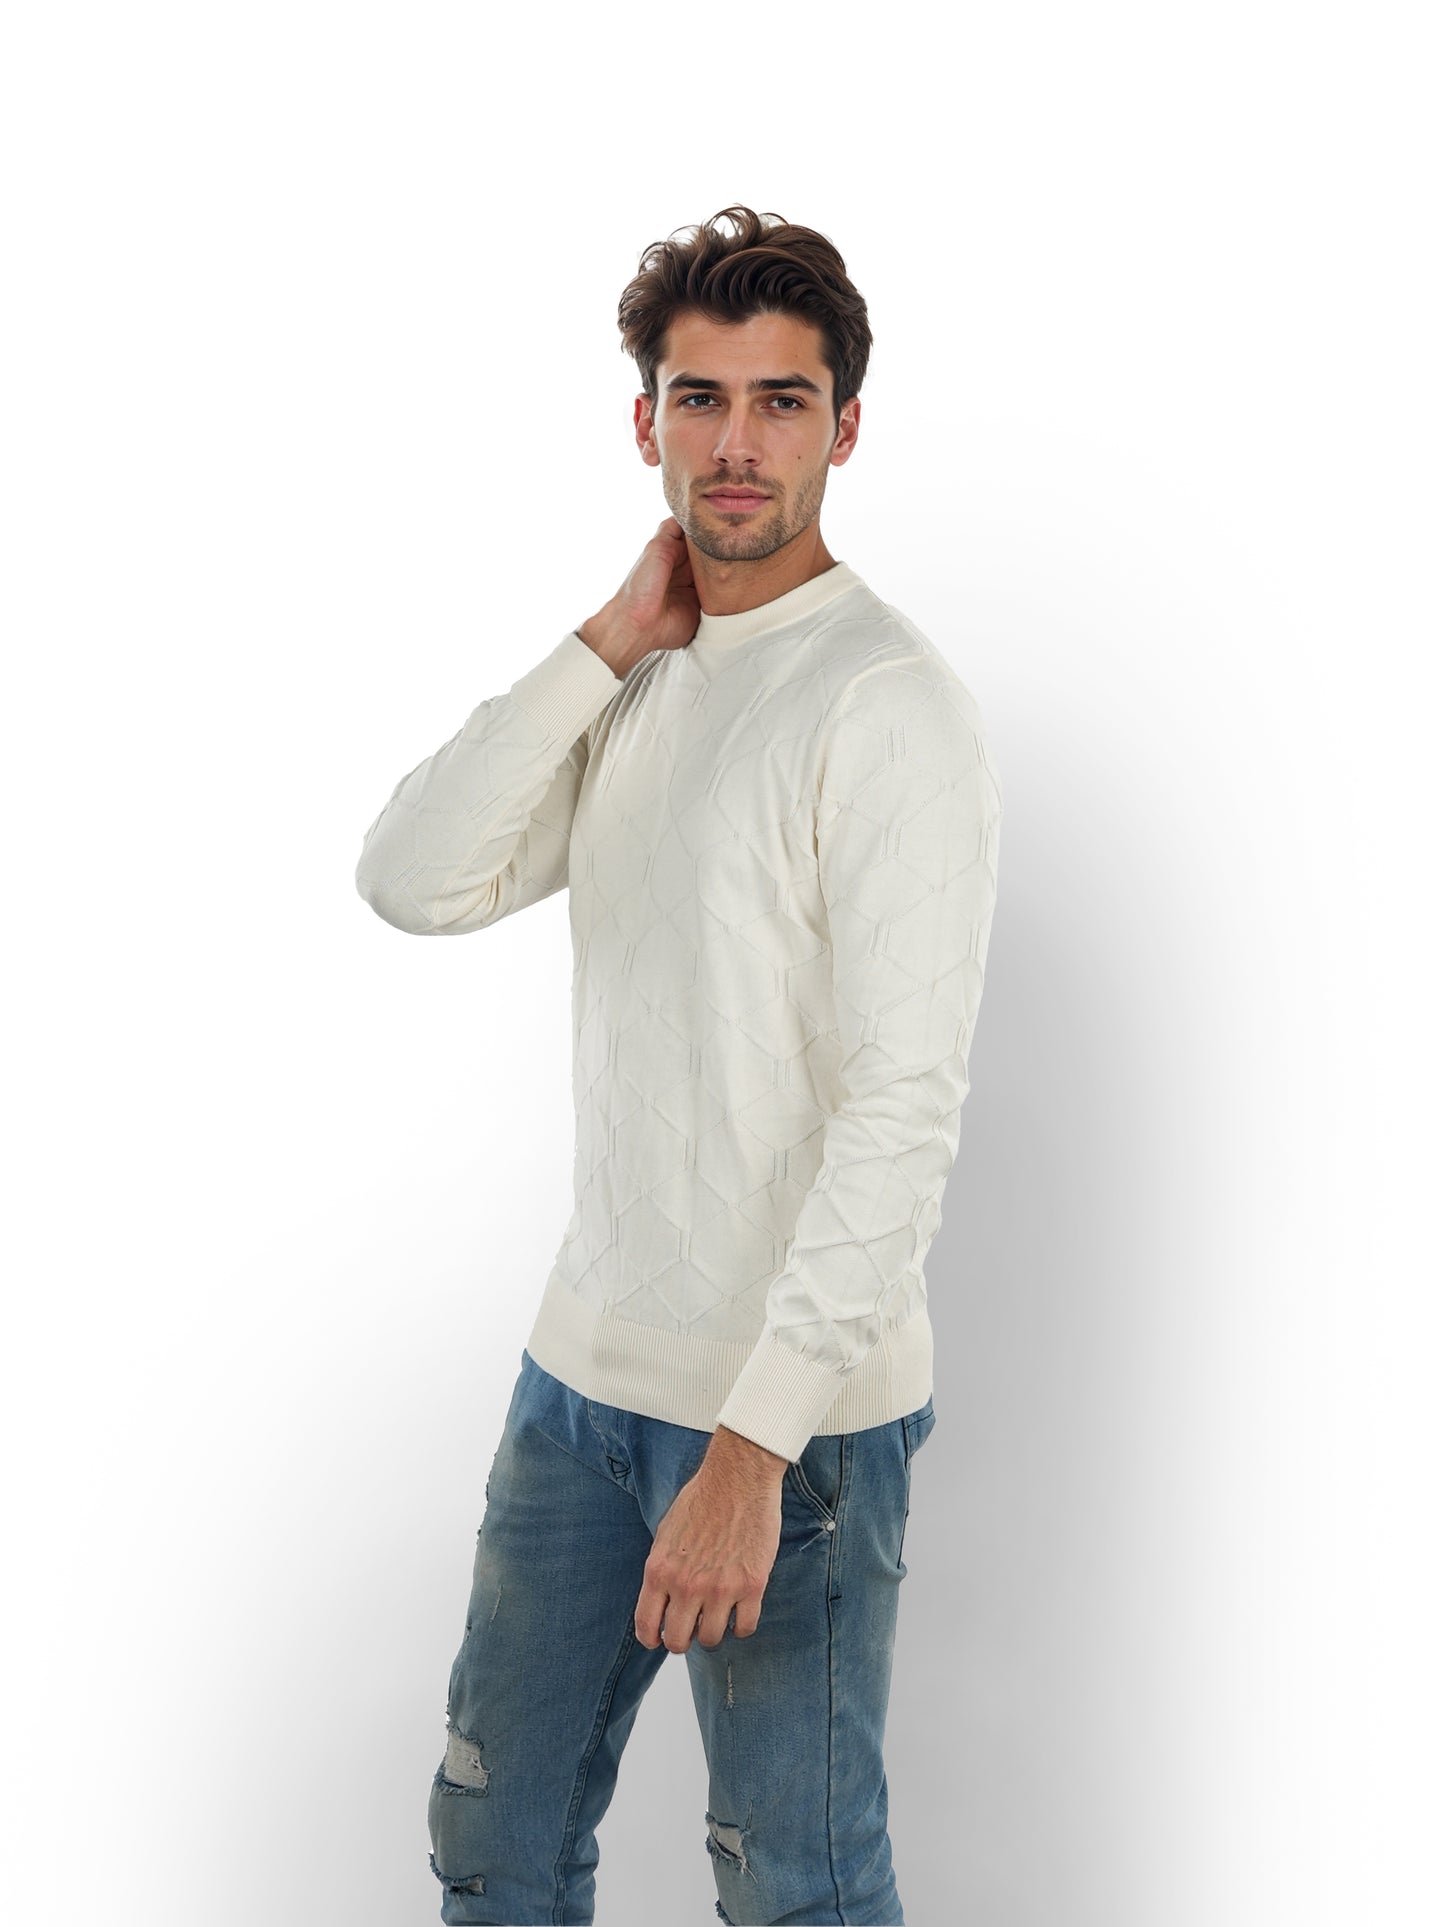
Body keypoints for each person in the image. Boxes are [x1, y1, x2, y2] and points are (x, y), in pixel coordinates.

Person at [355, 204, 1004, 1926]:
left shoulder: (886, 705)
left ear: (843, 429)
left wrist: (752, 1449)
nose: (735, 443)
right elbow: (412, 880)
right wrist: (601, 647)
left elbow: (901, 1111)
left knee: (795, 1886)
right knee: (491, 1845)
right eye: (699, 398)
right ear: (644, 419)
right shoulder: (641, 678)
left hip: (787, 1424)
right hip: (580, 1381)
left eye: (781, 401)